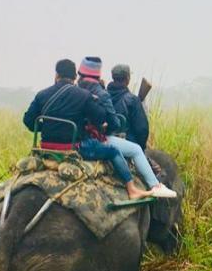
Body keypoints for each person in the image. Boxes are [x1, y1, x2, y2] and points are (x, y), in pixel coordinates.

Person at [23, 59, 154, 200]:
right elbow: (100, 118)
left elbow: (29, 121)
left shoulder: (42, 95)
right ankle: (132, 189)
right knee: (113, 151)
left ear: (56, 75)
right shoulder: (83, 95)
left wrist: (47, 126)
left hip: (45, 147)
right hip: (74, 148)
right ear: (74, 77)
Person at [77, 56, 176, 199]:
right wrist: (141, 145)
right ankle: (155, 186)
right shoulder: (111, 96)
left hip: (79, 137)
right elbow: (138, 129)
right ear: (127, 79)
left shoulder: (79, 90)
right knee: (136, 150)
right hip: (104, 138)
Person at [106, 63, 149, 149]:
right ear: (127, 78)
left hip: (104, 140)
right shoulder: (133, 100)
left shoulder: (103, 95)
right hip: (127, 143)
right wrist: (142, 147)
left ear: (113, 77)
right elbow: (142, 130)